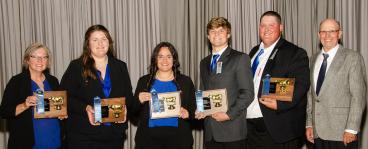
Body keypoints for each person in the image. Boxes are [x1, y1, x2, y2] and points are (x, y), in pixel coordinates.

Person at [60, 24, 135, 149]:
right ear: (88, 44)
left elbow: (128, 96)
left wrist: (125, 110)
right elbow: (64, 97)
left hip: (114, 135)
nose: (100, 43)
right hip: (84, 136)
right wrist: (85, 108)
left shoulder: (120, 66)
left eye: (104, 39)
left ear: (109, 42)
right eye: (95, 40)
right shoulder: (76, 66)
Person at [246, 11, 310, 149]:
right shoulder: (254, 51)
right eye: (263, 25)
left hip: (277, 126)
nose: (266, 29)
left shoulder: (295, 52)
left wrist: (280, 104)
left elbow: (302, 85)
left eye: (271, 25)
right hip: (249, 126)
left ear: (281, 27)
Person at [306, 18, 367, 149]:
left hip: (342, 132)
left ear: (339, 34)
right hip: (317, 133)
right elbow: (310, 95)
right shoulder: (312, 59)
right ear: (318, 35)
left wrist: (351, 129)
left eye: (332, 31)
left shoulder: (352, 58)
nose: (327, 36)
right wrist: (309, 124)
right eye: (323, 32)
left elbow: (358, 97)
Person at [196, 17, 254, 149]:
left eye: (221, 31)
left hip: (232, 131)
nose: (216, 34)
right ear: (208, 36)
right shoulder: (204, 62)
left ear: (228, 34)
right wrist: (200, 108)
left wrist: (228, 115)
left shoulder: (240, 58)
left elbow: (248, 93)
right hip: (210, 132)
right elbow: (203, 90)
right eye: (212, 31)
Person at [0, 43, 65, 149]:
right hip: (27, 143)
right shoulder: (17, 81)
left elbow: (58, 109)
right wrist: (25, 105)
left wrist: (62, 115)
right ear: (27, 60)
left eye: (44, 57)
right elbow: (4, 111)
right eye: (35, 57)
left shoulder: (53, 81)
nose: (40, 61)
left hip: (55, 142)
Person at [133, 42, 196, 149]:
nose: (164, 60)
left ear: (174, 60)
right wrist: (139, 100)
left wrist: (188, 114)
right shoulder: (144, 81)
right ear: (155, 59)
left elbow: (194, 110)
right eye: (160, 56)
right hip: (148, 140)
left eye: (168, 56)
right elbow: (132, 111)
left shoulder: (185, 81)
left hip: (178, 140)